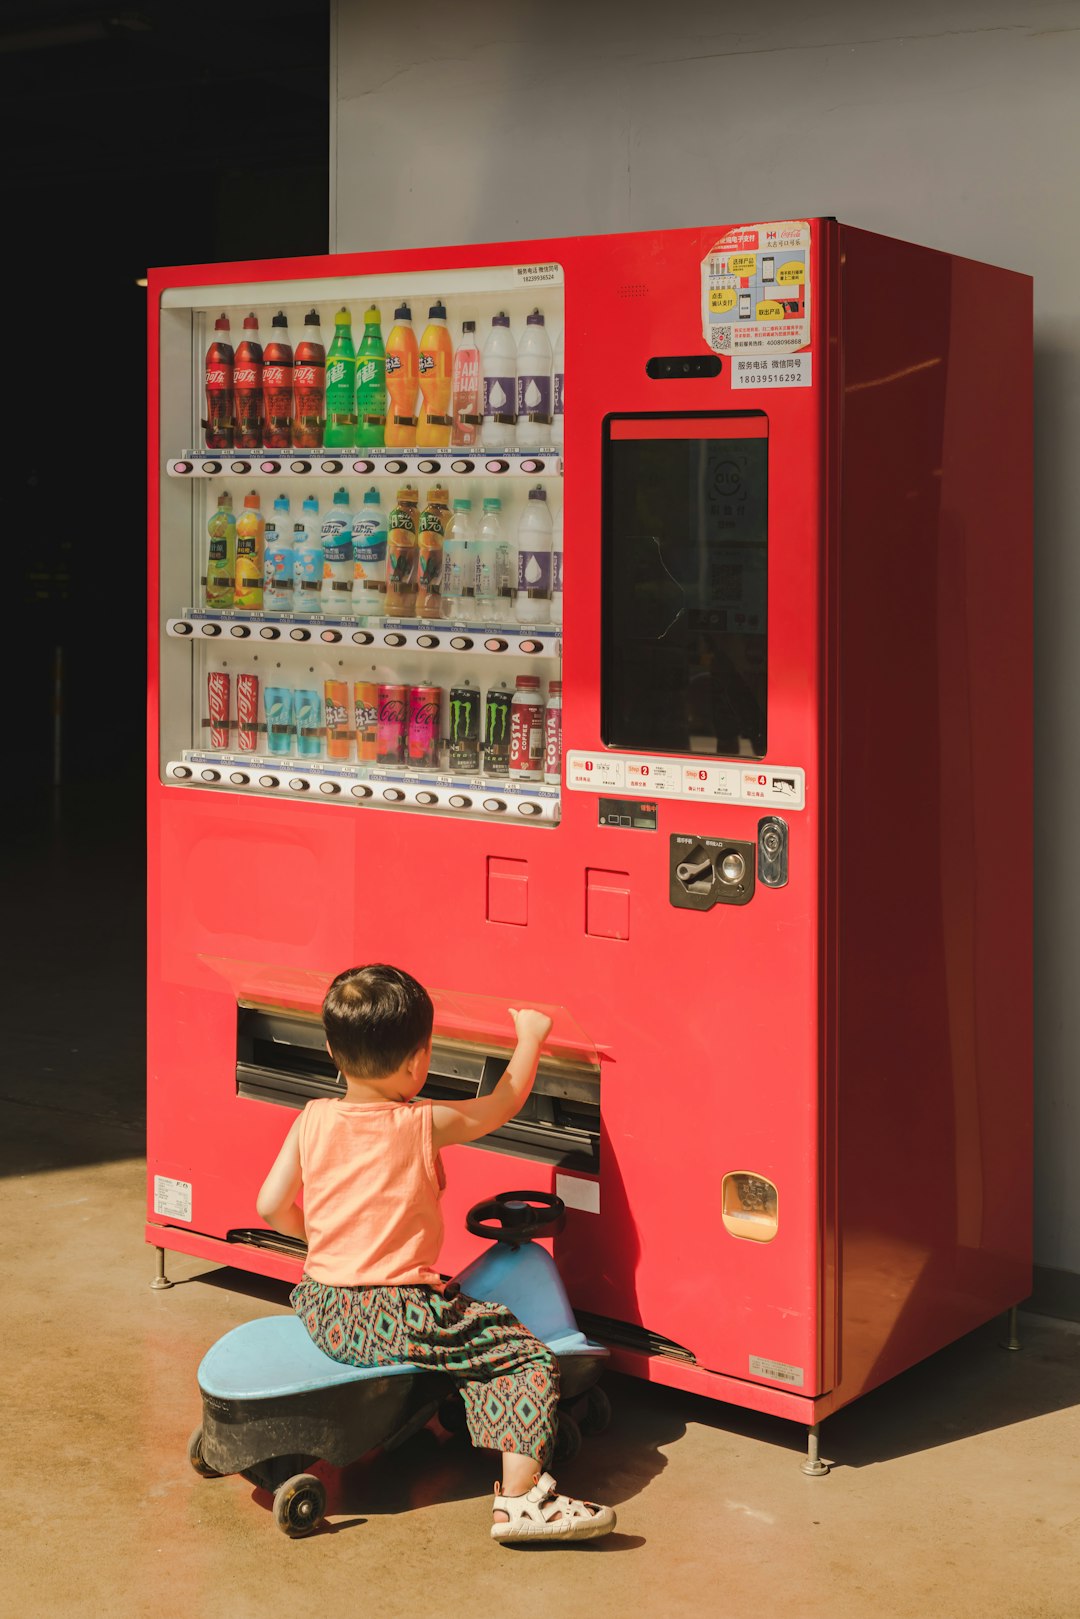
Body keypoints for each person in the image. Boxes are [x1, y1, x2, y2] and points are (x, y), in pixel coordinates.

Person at [256, 962, 616, 1544]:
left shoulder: (312, 1118)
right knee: (520, 1355)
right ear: (420, 1060)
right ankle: (523, 1502)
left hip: (322, 1307)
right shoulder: (421, 1123)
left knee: (462, 1327)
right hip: (394, 1313)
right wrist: (530, 1036)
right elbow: (504, 1103)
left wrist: (328, 1243)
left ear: (329, 1047)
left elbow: (270, 1206)